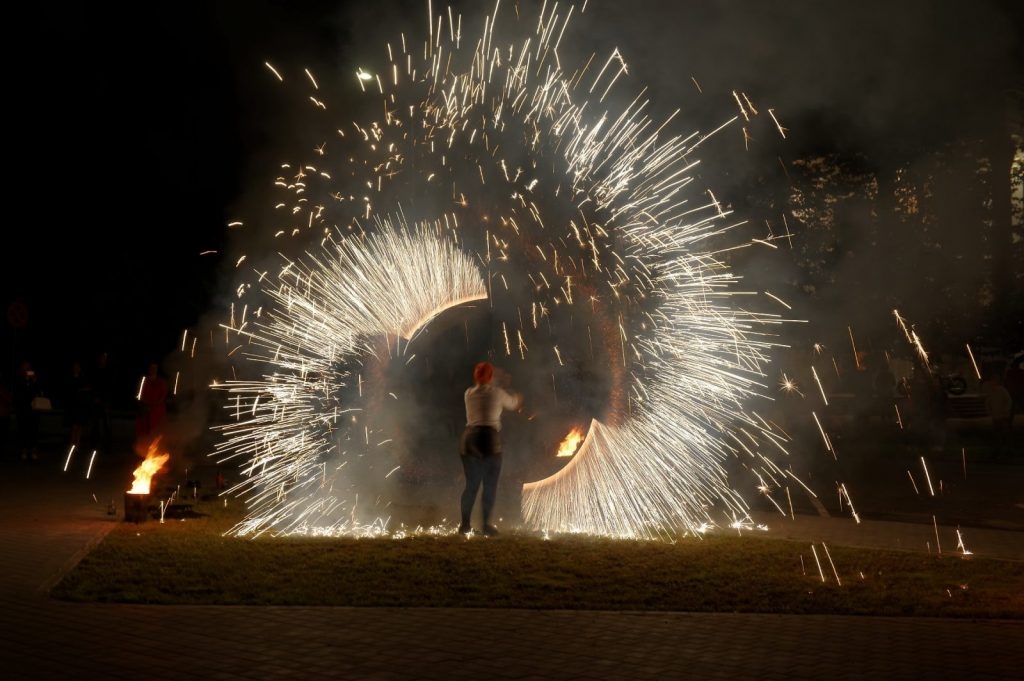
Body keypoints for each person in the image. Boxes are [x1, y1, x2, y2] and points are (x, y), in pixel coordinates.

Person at [458, 361, 523, 536]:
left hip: (469, 439)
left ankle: (464, 526)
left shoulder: (468, 393)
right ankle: (486, 525)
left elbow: (486, 394)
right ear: (491, 377)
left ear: (475, 376)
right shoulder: (497, 393)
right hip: (488, 439)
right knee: (489, 485)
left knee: (471, 485)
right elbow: (513, 403)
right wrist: (518, 395)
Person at [13, 360, 43, 460]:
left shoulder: (33, 380)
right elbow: (18, 393)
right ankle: (24, 450)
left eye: (28, 368)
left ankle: (33, 449)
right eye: (25, 367)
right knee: (23, 430)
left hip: (33, 409)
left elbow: (38, 391)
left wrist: (34, 381)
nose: (27, 370)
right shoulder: (18, 379)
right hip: (22, 408)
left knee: (33, 429)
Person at [135, 361, 168, 450]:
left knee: (157, 430)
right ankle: (145, 449)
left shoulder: (161, 382)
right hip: (145, 410)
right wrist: (145, 404)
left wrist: (155, 404)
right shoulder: (143, 380)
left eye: (155, 368)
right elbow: (139, 394)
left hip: (157, 411)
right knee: (145, 430)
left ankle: (156, 449)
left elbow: (163, 395)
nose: (153, 370)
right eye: (151, 368)